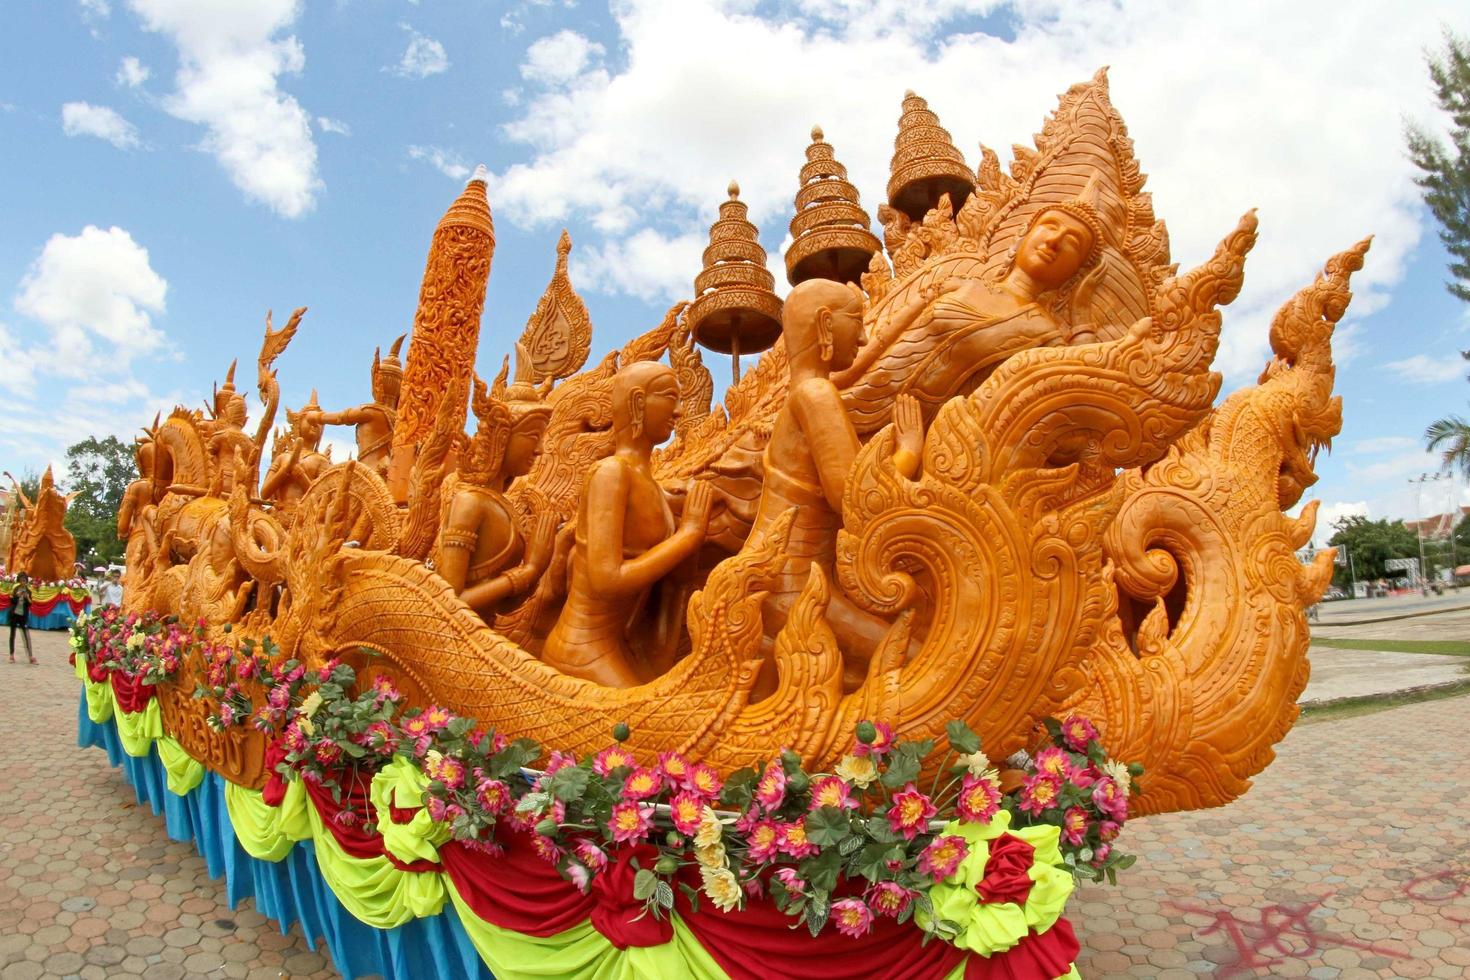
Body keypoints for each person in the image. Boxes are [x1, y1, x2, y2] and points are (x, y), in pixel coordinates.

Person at [541, 361, 715, 687]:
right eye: (669, 397)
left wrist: (699, 519)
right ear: (637, 402)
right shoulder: (611, 473)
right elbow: (607, 579)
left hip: (619, 648)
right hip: (582, 650)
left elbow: (675, 579)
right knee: (646, 731)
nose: (678, 411)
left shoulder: (653, 485)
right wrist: (689, 534)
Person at [8, 571, 35, 664]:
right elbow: (11, 601)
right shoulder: (15, 588)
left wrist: (27, 597)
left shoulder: (29, 590)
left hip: (23, 616)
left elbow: (30, 603)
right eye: (21, 581)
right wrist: (17, 596)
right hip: (14, 615)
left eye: (25, 581)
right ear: (19, 581)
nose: (23, 582)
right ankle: (11, 655)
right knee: (12, 635)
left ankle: (30, 656)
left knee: (27, 636)